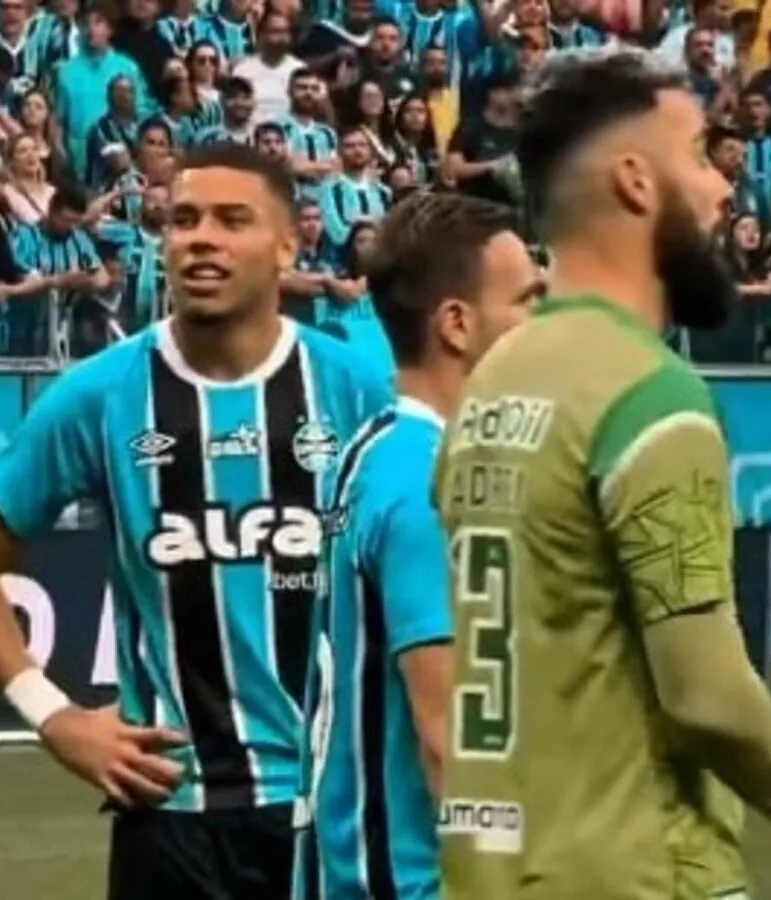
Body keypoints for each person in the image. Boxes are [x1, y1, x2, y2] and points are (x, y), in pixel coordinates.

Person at [435, 48, 771, 900]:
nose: (723, 189)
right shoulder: (649, 393)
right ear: (636, 182)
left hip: (493, 874)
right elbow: (704, 690)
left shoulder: (491, 383)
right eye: (700, 155)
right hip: (637, 870)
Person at [0, 142, 390, 899]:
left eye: (232, 220)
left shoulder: (355, 389)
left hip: (335, 811)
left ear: (287, 247)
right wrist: (55, 717)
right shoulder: (102, 393)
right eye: (184, 219)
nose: (201, 238)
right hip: (174, 817)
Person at [293, 192, 542, 900]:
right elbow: (449, 739)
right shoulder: (429, 484)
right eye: (527, 301)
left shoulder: (379, 450)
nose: (543, 324)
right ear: (457, 324)